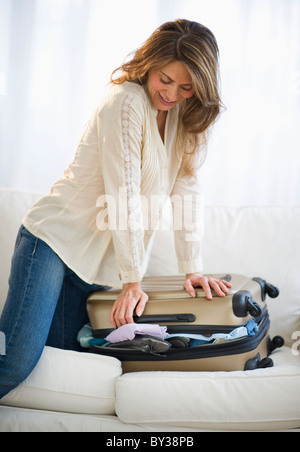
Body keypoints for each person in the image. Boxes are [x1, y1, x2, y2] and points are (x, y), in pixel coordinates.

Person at [0, 19, 231, 399]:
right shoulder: (125, 103)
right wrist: (132, 282)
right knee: (16, 359)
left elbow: (186, 185)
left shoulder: (184, 117)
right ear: (150, 64)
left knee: (69, 364)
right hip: (54, 242)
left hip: (93, 265)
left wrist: (192, 268)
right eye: (165, 79)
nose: (172, 93)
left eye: (186, 86)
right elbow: (122, 194)